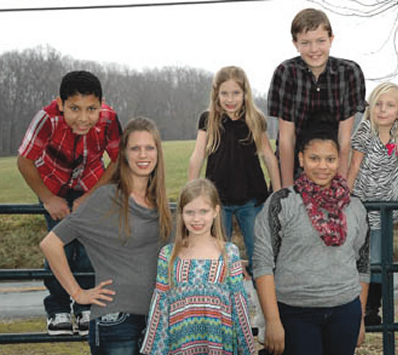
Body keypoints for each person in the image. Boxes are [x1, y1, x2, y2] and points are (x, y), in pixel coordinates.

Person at [40, 117, 173, 354]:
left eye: (149, 147)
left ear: (158, 153)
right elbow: (51, 243)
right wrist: (78, 293)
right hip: (116, 321)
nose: (143, 155)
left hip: (159, 320)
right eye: (135, 148)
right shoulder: (106, 199)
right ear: (123, 154)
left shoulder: (162, 204)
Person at [17, 70, 122, 336]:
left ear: (101, 104)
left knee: (89, 248)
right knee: (58, 246)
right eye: (74, 108)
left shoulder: (109, 119)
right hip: (53, 185)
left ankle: (86, 306)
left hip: (91, 184)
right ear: (61, 104)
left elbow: (118, 160)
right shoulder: (47, 119)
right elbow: (25, 160)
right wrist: (48, 199)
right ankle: (58, 309)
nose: (84, 117)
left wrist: (92, 196)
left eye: (91, 108)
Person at [253, 123, 370, 355]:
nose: (323, 166)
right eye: (314, 158)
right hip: (296, 312)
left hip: (345, 311)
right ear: (301, 159)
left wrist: (361, 317)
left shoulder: (354, 206)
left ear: (339, 161)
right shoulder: (282, 202)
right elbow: (262, 263)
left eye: (330, 159)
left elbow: (363, 264)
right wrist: (272, 321)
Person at [140, 178, 255, 355]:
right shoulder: (168, 255)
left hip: (218, 346)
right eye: (190, 212)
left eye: (204, 211)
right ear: (181, 213)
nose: (196, 219)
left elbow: (239, 306)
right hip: (180, 346)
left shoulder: (229, 254)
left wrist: (247, 349)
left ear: (216, 211)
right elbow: (160, 308)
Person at [188, 66, 281, 273]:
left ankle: (262, 298)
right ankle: (222, 300)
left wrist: (278, 194)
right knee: (218, 256)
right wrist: (191, 196)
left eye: (236, 93)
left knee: (259, 255)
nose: (230, 99)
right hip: (217, 201)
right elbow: (197, 157)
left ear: (245, 93)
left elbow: (268, 157)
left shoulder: (255, 119)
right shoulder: (208, 119)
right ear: (216, 94)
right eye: (224, 93)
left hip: (251, 200)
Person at [268, 8, 367, 187]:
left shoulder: (349, 73)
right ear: (295, 43)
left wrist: (341, 186)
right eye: (305, 43)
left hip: (331, 168)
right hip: (295, 168)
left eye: (320, 41)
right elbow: (286, 139)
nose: (314, 49)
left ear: (331, 39)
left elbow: (344, 139)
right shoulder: (286, 73)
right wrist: (287, 191)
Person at [346, 82, 398, 326]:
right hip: (365, 204)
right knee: (364, 258)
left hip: (387, 207)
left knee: (381, 259)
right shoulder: (365, 131)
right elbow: (354, 167)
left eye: (390, 105)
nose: (383, 110)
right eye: (378, 104)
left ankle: (374, 309)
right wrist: (347, 195)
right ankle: (360, 309)